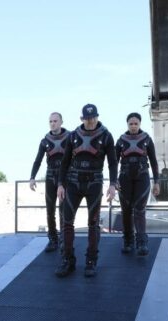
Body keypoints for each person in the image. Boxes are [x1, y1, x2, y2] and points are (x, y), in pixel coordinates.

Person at [56, 104, 117, 278]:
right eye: (87, 118)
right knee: (67, 222)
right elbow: (65, 162)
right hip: (73, 182)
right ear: (82, 118)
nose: (90, 121)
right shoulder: (73, 136)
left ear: (97, 117)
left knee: (93, 224)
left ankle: (91, 261)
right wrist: (60, 184)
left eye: (93, 117)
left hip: (94, 182)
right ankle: (68, 260)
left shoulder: (106, 135)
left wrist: (113, 184)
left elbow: (113, 162)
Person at [115, 112, 160, 256]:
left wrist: (157, 182)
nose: (133, 126)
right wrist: (113, 181)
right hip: (125, 178)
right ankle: (128, 241)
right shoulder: (121, 140)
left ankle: (142, 243)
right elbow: (113, 162)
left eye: (136, 124)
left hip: (142, 177)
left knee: (140, 209)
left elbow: (154, 161)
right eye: (131, 124)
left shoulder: (147, 139)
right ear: (127, 124)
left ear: (140, 124)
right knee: (126, 210)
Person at [29, 112, 69, 252]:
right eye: (51, 121)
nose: (53, 123)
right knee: (50, 209)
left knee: (64, 210)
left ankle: (64, 239)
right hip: (51, 176)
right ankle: (53, 239)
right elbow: (38, 160)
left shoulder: (70, 137)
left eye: (55, 121)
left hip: (65, 177)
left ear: (61, 122)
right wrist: (32, 177)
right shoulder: (45, 141)